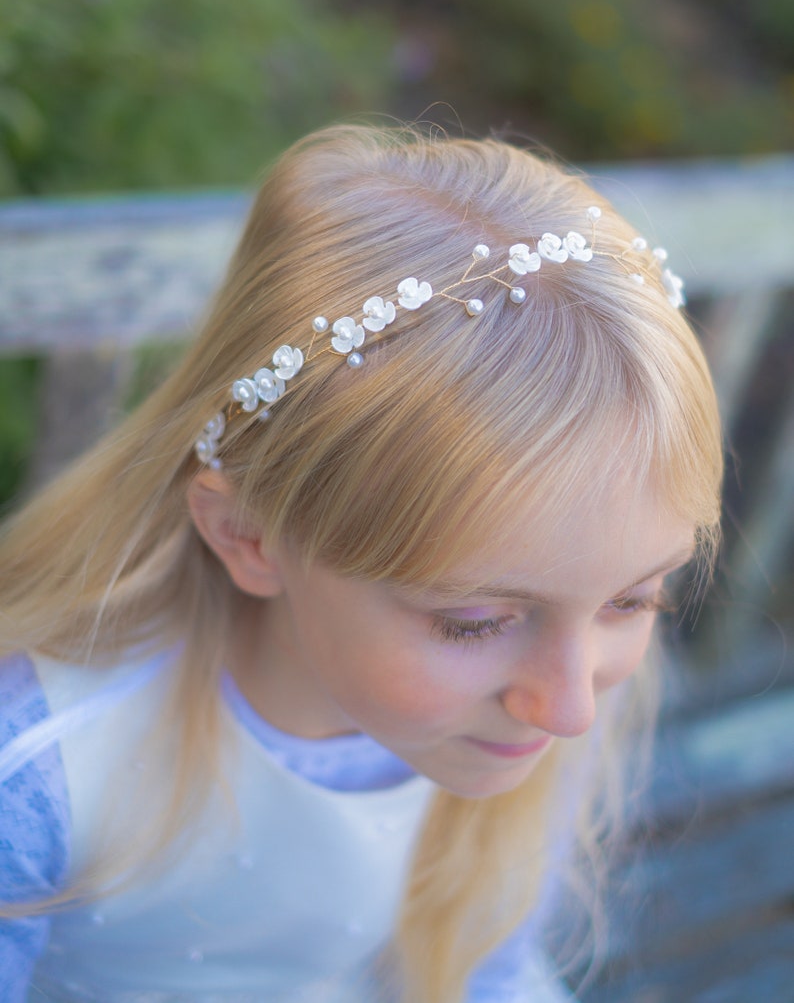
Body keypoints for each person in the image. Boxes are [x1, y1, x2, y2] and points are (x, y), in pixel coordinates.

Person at [0, 123, 722, 1003]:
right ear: (250, 536)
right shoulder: (41, 772)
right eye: (475, 622)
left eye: (634, 600)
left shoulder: (533, 701)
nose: (573, 709)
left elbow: (483, 971)